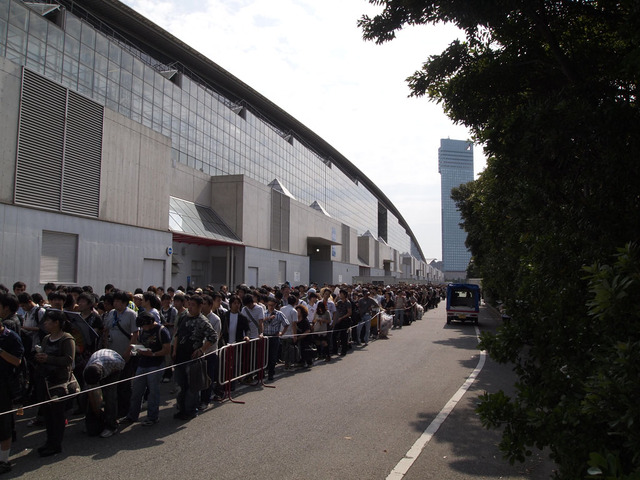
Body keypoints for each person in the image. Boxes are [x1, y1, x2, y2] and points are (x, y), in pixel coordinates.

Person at [33, 310, 76, 457]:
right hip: (46, 380)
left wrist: (49, 359)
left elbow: (69, 360)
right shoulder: (46, 338)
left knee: (57, 415)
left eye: (48, 321)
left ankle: (56, 444)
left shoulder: (67, 339)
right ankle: (49, 441)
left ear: (56, 323)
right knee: (48, 414)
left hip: (60, 382)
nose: (45, 324)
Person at [119, 312, 170, 427]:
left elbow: (167, 350)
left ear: (151, 322)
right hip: (142, 363)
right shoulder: (143, 331)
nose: (143, 328)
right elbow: (140, 342)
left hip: (156, 364)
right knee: (136, 391)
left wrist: (152, 354)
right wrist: (137, 350)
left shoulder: (162, 331)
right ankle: (132, 415)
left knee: (153, 392)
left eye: (144, 326)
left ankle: (152, 416)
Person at [171, 295, 216, 420]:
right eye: (189, 304)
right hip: (180, 357)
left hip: (193, 360)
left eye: (193, 305)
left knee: (192, 387)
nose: (190, 307)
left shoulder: (203, 321)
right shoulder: (183, 317)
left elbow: (213, 337)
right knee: (180, 386)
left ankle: (190, 410)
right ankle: (181, 409)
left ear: (200, 306)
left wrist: (202, 350)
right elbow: (177, 335)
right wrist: (174, 350)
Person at [102, 290, 138, 419]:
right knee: (113, 383)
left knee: (124, 383)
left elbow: (135, 335)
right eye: (115, 301)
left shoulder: (131, 315)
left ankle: (125, 410)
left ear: (124, 303)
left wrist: (128, 351)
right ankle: (114, 409)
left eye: (118, 301)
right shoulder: (111, 314)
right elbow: (106, 329)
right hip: (112, 353)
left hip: (125, 353)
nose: (116, 304)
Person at [0, 316, 24, 474]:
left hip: (4, 386)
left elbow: (17, 361)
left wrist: (0, 351)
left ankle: (4, 460)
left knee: (4, 425)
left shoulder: (11, 337)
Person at [83, 348, 125, 438]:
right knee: (89, 399)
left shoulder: (114, 362)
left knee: (110, 396)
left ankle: (112, 426)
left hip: (114, 369)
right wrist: (97, 409)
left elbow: (122, 364)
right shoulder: (87, 371)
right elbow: (91, 393)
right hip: (99, 365)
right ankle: (95, 422)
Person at [263, 297, 289, 380]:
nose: (270, 307)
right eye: (269, 305)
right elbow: (259, 322)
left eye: (272, 305)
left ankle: (271, 373)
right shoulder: (264, 313)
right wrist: (267, 319)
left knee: (273, 356)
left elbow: (286, 324)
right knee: (264, 355)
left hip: (274, 337)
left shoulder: (279, 314)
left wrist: (282, 333)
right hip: (265, 336)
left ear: (275, 305)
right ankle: (262, 372)